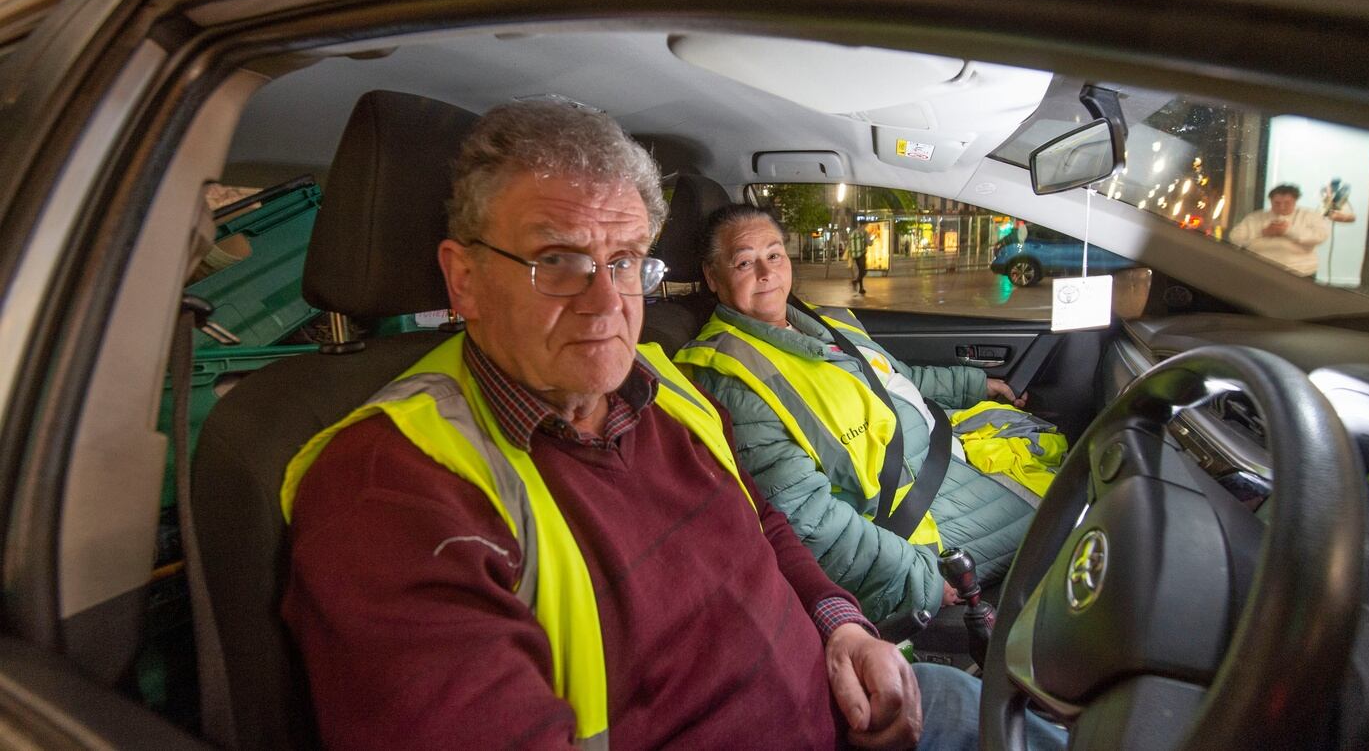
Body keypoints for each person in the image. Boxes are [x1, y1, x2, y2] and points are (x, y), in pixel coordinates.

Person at [279, 102, 1014, 750]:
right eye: (559, 261)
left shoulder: (663, 387)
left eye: (625, 260)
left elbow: (765, 525)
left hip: (843, 705)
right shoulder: (390, 491)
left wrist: (841, 626)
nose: (606, 305)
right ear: (464, 279)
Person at [675, 204, 1052, 625]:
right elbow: (804, 518)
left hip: (943, 456)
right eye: (745, 261)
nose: (766, 272)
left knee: (1061, 459)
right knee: (1064, 519)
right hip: (912, 529)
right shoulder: (727, 374)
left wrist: (975, 386)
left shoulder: (825, 320)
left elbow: (894, 379)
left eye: (774, 254)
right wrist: (918, 580)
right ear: (713, 276)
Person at [1228, 183, 1330, 276]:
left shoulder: (1310, 215)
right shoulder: (1255, 217)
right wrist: (1263, 232)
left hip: (1300, 271)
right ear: (1271, 201)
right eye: (1277, 203)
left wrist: (1287, 231)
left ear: (1295, 201)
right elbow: (1234, 238)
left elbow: (1320, 236)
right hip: (1260, 270)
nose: (1281, 207)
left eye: (1287, 203)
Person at [849, 218, 872, 295]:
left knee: (860, 271)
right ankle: (855, 281)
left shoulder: (853, 232)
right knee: (864, 271)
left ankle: (861, 288)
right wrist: (872, 240)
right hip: (861, 254)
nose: (866, 226)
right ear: (864, 225)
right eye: (866, 225)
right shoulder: (865, 233)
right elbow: (869, 243)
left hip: (854, 255)